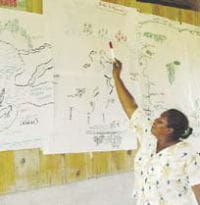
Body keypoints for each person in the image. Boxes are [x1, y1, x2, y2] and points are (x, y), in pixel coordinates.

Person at [112, 59, 200, 205]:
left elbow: (198, 187)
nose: (155, 121)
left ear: (169, 130)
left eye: (160, 121)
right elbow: (131, 107)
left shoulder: (187, 153)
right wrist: (117, 77)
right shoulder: (149, 138)